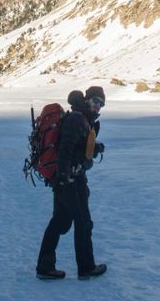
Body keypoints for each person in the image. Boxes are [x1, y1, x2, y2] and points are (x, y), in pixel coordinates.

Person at [35, 86, 108, 280]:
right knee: (83, 222)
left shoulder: (82, 119)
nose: (97, 106)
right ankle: (86, 267)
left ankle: (45, 267)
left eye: (101, 104)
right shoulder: (77, 119)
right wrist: (62, 178)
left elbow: (76, 147)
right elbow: (66, 148)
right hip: (70, 179)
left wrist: (94, 148)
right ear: (86, 100)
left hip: (65, 178)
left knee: (60, 221)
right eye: (95, 101)